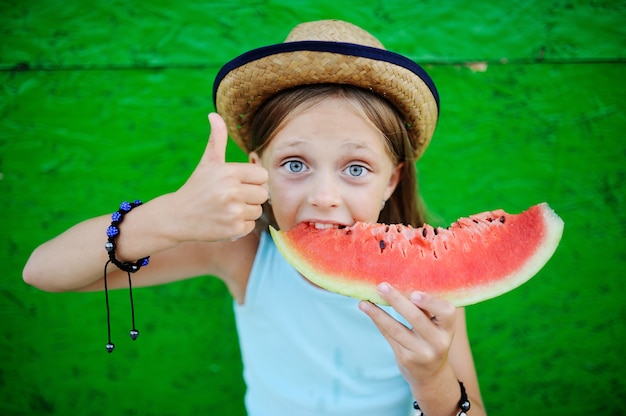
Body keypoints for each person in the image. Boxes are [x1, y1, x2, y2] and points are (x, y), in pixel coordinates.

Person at [23, 20, 486, 416]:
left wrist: (432, 378)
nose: (324, 196)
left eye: (356, 168)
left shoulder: (434, 283)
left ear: (391, 181)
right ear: (256, 168)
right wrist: (168, 216)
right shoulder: (243, 254)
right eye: (295, 164)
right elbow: (43, 270)